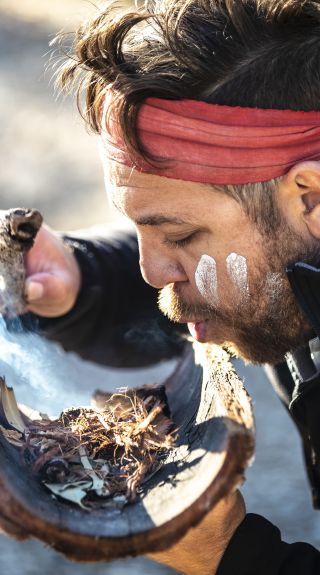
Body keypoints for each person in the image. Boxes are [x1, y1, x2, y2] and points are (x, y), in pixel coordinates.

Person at [18, 0, 320, 572]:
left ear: (309, 195)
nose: (151, 271)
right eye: (139, 229)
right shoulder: (290, 263)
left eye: (178, 235)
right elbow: (238, 268)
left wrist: (234, 558)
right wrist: (82, 279)